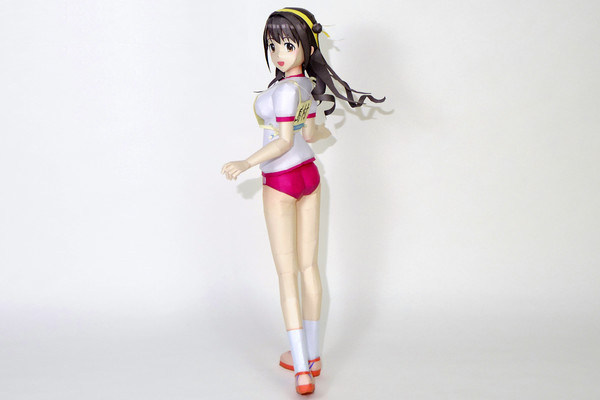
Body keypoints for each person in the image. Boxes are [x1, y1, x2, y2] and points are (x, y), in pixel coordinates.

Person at [221, 8, 384, 395]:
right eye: (272, 45)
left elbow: (281, 143)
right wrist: (320, 130)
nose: (279, 53)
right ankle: (312, 357)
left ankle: (301, 369)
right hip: (310, 175)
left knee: (287, 273)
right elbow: (309, 133)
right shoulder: (307, 85)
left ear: (308, 48)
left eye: (288, 45)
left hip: (281, 180)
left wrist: (246, 162)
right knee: (309, 267)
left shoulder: (283, 92)